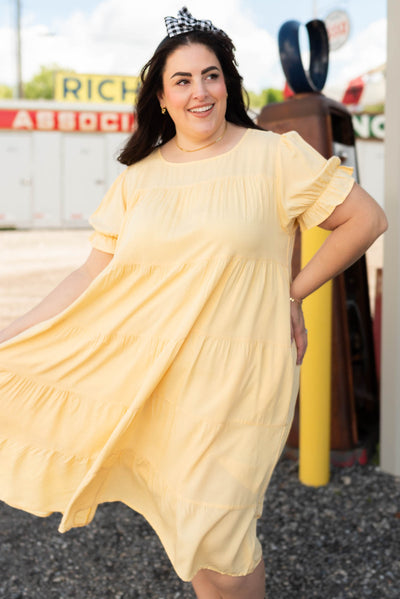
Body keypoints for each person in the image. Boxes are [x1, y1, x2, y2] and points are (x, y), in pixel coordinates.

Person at [0, 7, 387, 599]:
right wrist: (15, 334)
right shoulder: (139, 178)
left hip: (240, 373)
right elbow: (89, 274)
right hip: (157, 375)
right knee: (192, 530)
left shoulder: (273, 156)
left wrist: (291, 290)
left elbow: (365, 219)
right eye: (182, 80)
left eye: (210, 75)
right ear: (161, 97)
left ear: (227, 83)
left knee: (221, 531)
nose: (199, 91)